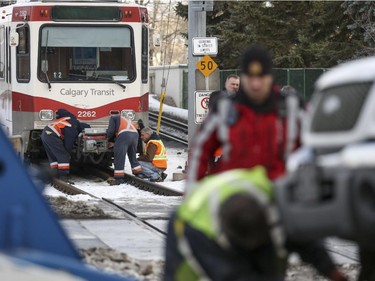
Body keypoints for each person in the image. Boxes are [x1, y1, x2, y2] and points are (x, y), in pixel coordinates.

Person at [164, 167, 348, 281]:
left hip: (254, 224)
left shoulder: (275, 199)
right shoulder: (200, 229)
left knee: (270, 266)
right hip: (189, 225)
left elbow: (303, 238)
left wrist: (331, 271)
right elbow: (230, 275)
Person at [187, 45, 302, 186]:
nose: (255, 84)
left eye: (261, 77)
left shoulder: (294, 108)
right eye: (250, 77)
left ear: (270, 77)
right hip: (234, 194)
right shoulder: (224, 109)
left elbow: (315, 149)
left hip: (280, 195)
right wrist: (193, 194)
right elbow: (200, 150)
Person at [41, 109, 84, 183]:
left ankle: (55, 175)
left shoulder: (67, 119)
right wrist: (68, 152)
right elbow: (69, 142)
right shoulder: (73, 126)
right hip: (52, 134)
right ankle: (63, 178)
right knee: (63, 155)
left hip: (45, 133)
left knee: (53, 156)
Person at [107, 115, 142, 185]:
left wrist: (107, 138)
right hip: (135, 134)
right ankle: (138, 173)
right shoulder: (126, 119)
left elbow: (111, 132)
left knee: (119, 156)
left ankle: (119, 178)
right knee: (132, 155)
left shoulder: (113, 118)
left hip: (124, 134)